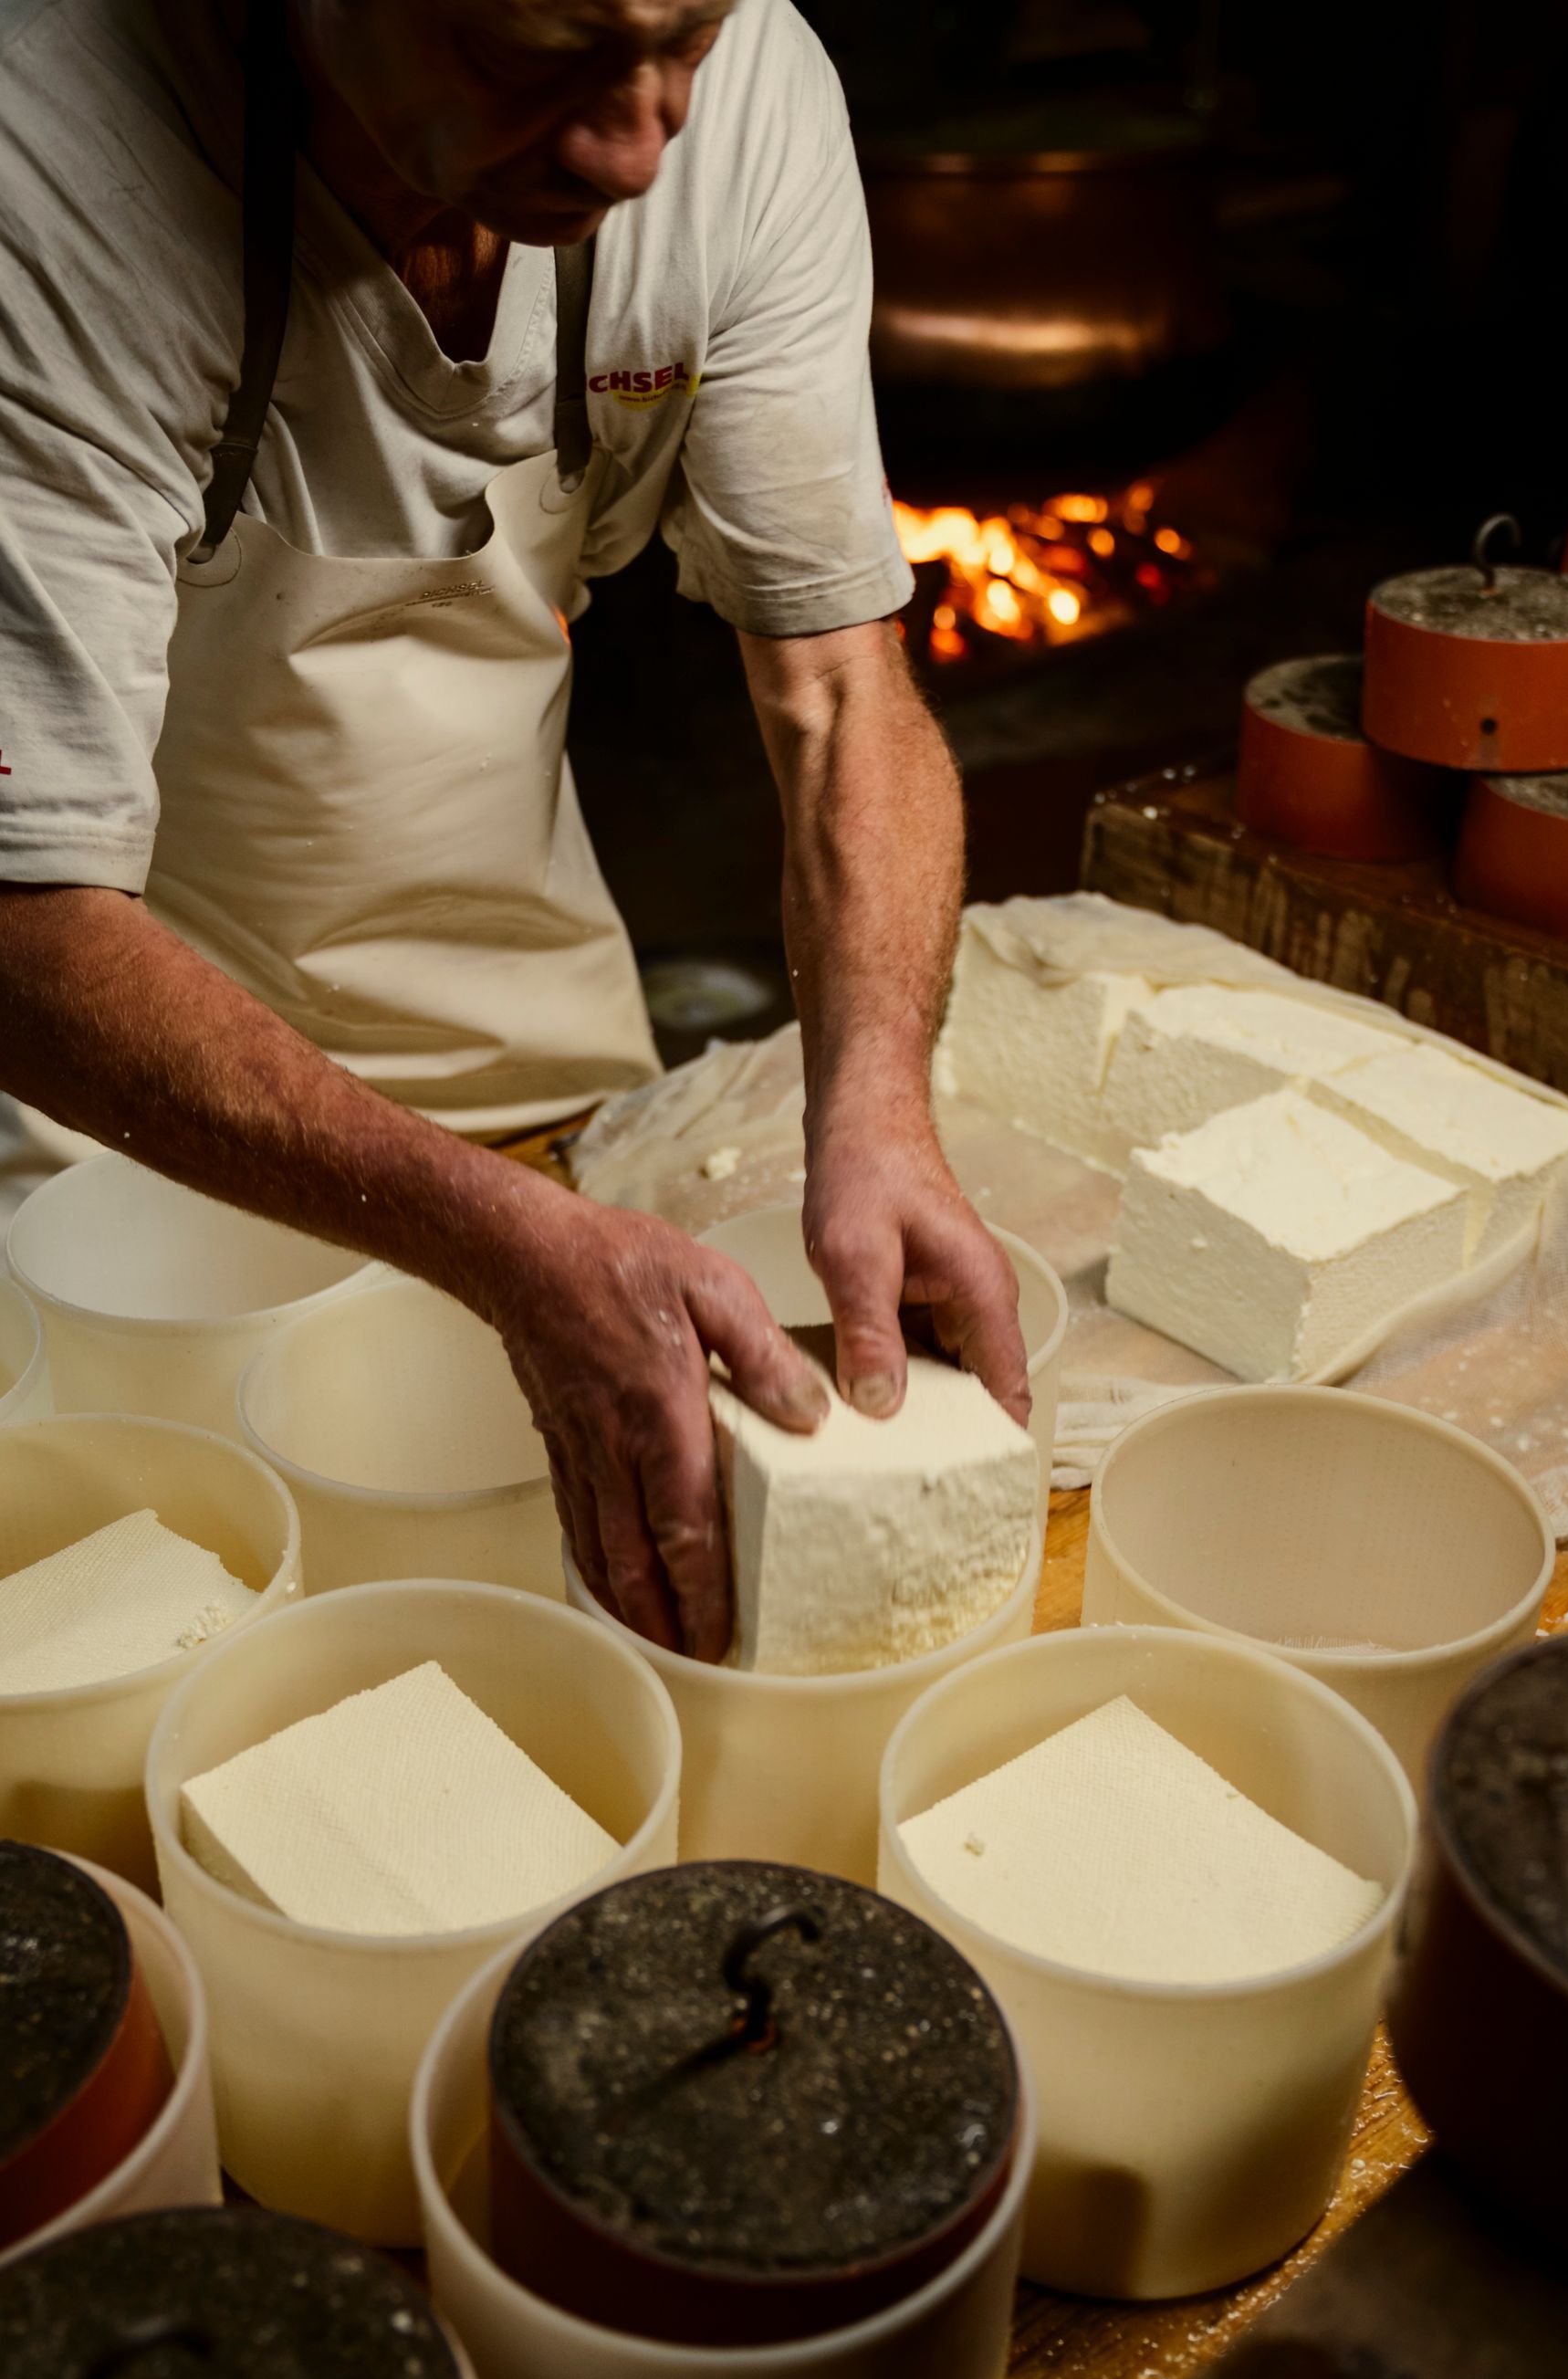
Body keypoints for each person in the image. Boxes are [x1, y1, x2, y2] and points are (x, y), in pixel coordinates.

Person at [0, 0, 1030, 1662]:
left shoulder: (746, 89)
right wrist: (491, 1241)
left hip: (531, 1056)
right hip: (121, 1139)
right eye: (527, 60)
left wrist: (881, 1104)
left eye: (676, 42)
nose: (638, 141)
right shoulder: (45, 155)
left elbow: (842, 689)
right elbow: (22, 921)